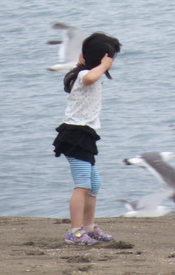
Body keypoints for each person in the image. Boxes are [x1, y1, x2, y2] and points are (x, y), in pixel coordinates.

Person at [52, 32, 121, 245]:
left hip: (85, 134)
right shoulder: (85, 75)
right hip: (75, 135)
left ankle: (89, 227)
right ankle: (75, 231)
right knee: (82, 185)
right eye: (111, 58)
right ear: (103, 58)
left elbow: (92, 76)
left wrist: (99, 65)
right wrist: (103, 66)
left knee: (94, 184)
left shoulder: (87, 73)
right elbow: (90, 77)